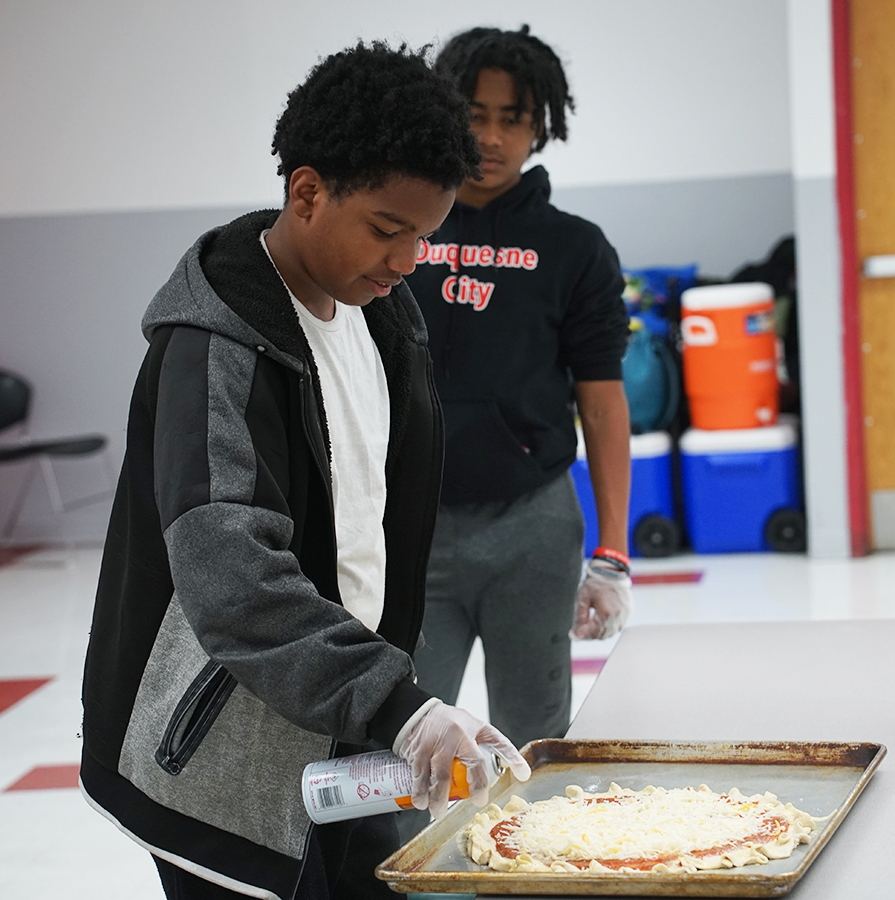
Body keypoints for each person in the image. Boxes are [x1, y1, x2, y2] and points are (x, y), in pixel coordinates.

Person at [79, 41, 530, 900]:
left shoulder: (383, 318)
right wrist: (401, 709)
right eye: (387, 231)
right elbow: (235, 581)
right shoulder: (213, 349)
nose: (406, 261)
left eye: (424, 237)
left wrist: (388, 705)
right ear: (308, 191)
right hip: (220, 760)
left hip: (343, 722)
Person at [405, 25, 633, 761]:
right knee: (402, 749)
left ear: (540, 126)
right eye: (475, 114)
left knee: (536, 750)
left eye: (513, 118)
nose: (492, 137)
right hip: (409, 525)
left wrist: (613, 554)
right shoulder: (396, 229)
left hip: (531, 528)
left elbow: (602, 402)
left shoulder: (575, 247)